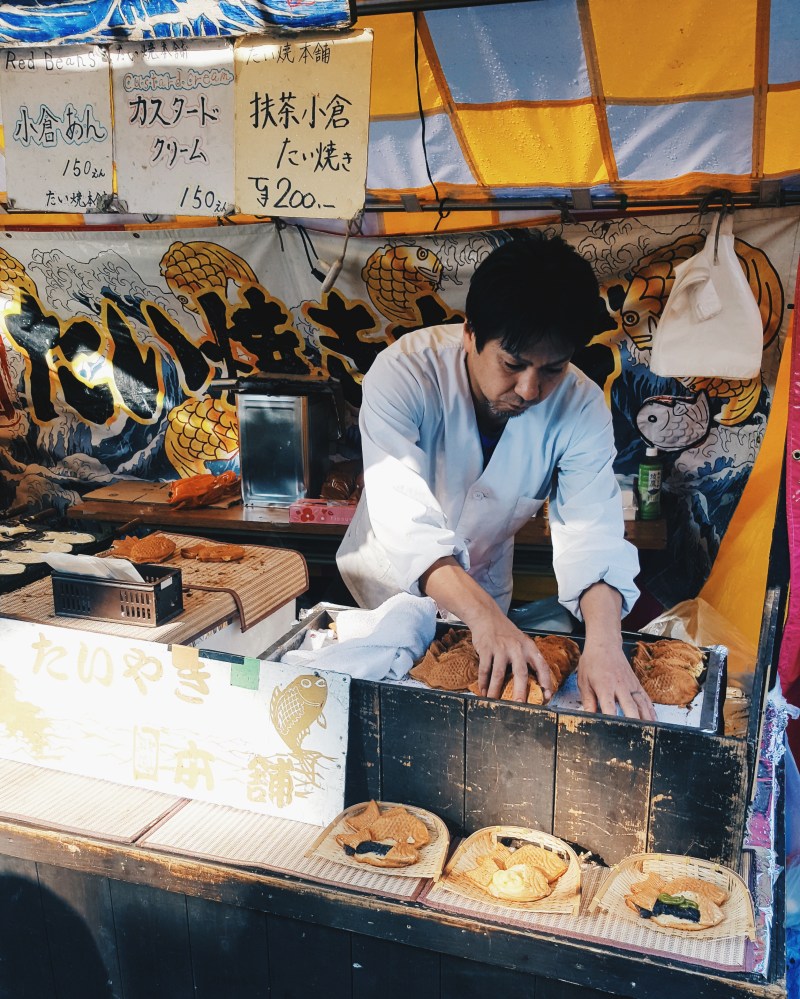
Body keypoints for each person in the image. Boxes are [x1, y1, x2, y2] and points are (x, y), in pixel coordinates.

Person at [337, 234, 656, 720]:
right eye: (513, 364)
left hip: (487, 582)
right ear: (470, 333)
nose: (530, 389)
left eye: (552, 368)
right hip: (385, 588)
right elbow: (406, 525)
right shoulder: (404, 374)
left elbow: (593, 535)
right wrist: (485, 618)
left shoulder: (580, 405)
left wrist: (605, 644)